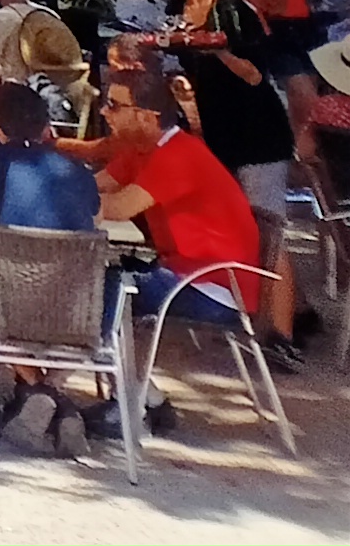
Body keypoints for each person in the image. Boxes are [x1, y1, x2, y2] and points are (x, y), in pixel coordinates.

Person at [93, 62, 277, 432]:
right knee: (97, 284)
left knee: (97, 294)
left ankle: (129, 410)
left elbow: (117, 208)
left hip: (213, 287)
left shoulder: (179, 154)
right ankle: (147, 399)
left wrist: (53, 196)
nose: (104, 112)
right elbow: (97, 187)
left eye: (114, 105)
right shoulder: (142, 149)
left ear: (147, 116)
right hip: (187, 273)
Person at [159, 0, 302, 342]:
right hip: (218, 132)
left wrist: (217, 50)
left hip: (258, 133)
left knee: (268, 228)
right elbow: (184, 68)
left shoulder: (234, 10)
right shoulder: (179, 10)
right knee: (236, 226)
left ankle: (282, 337)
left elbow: (255, 75)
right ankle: (298, 310)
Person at [0, 77, 102, 232]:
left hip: (3, 248)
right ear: (45, 126)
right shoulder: (77, 169)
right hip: (70, 249)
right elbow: (97, 218)